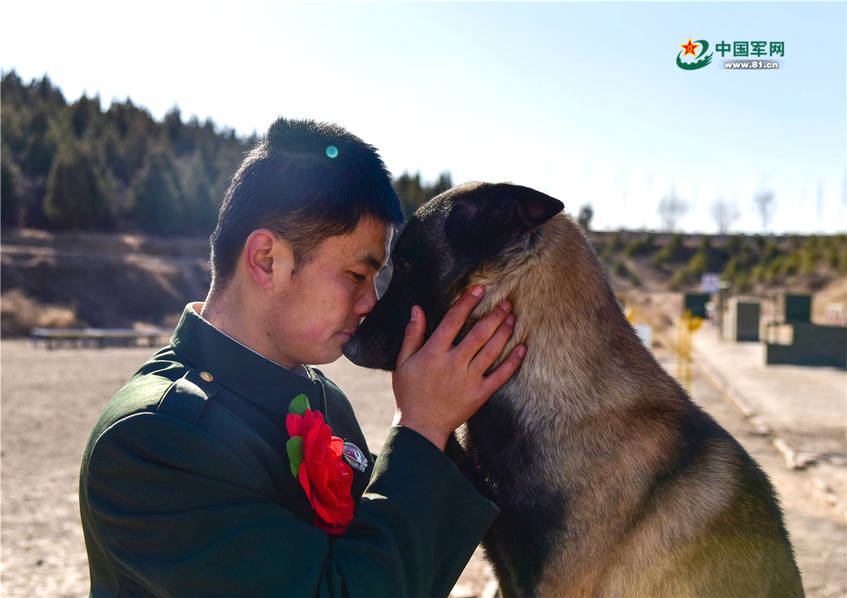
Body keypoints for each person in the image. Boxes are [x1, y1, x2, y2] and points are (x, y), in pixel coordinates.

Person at [79, 117, 526, 597]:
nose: (371, 302)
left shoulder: (320, 397)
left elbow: (397, 560)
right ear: (267, 260)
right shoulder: (153, 440)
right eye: (357, 274)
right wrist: (422, 429)